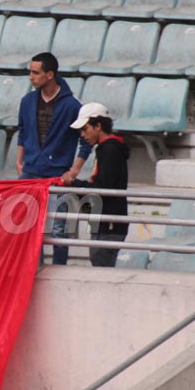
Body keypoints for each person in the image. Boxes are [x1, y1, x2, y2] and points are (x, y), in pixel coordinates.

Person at [16, 52, 88, 265]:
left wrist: (73, 171)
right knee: (28, 227)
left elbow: (85, 142)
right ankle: (33, 269)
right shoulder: (27, 101)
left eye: (35, 72)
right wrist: (19, 160)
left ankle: (59, 270)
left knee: (59, 229)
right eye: (30, 72)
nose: (31, 77)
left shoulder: (72, 105)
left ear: (49, 75)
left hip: (57, 173)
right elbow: (22, 131)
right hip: (30, 171)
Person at [63, 103, 130, 267]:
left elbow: (103, 188)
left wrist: (75, 184)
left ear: (98, 126)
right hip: (107, 221)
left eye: (85, 129)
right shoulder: (108, 149)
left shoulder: (109, 150)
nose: (83, 134)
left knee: (101, 265)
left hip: (109, 223)